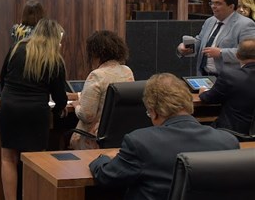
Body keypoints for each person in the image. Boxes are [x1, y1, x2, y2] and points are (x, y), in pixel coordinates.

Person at [89, 73, 239, 200]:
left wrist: (103, 158)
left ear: (153, 111)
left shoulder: (140, 142)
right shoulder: (228, 142)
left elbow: (106, 176)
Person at [0, 18, 68, 200]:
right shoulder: (54, 59)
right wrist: (59, 109)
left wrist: (7, 98)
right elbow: (60, 96)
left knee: (8, 158)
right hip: (36, 113)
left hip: (9, 108)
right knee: (35, 161)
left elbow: (3, 78)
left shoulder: (17, 49)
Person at [69, 30, 135, 150]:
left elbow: (86, 115)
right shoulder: (127, 71)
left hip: (94, 139)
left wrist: (76, 105)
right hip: (118, 137)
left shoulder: (97, 75)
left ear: (95, 53)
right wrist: (78, 95)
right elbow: (105, 96)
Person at [176, 0, 255, 76]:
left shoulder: (245, 24)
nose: (213, 6)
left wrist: (221, 53)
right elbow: (200, 41)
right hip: (203, 75)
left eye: (218, 3)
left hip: (229, 78)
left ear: (231, 6)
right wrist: (184, 48)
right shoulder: (210, 21)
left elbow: (249, 53)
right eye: (212, 3)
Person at [198, 38, 255, 134]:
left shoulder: (230, 76)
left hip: (233, 133)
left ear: (237, 56)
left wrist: (203, 93)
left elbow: (209, 98)